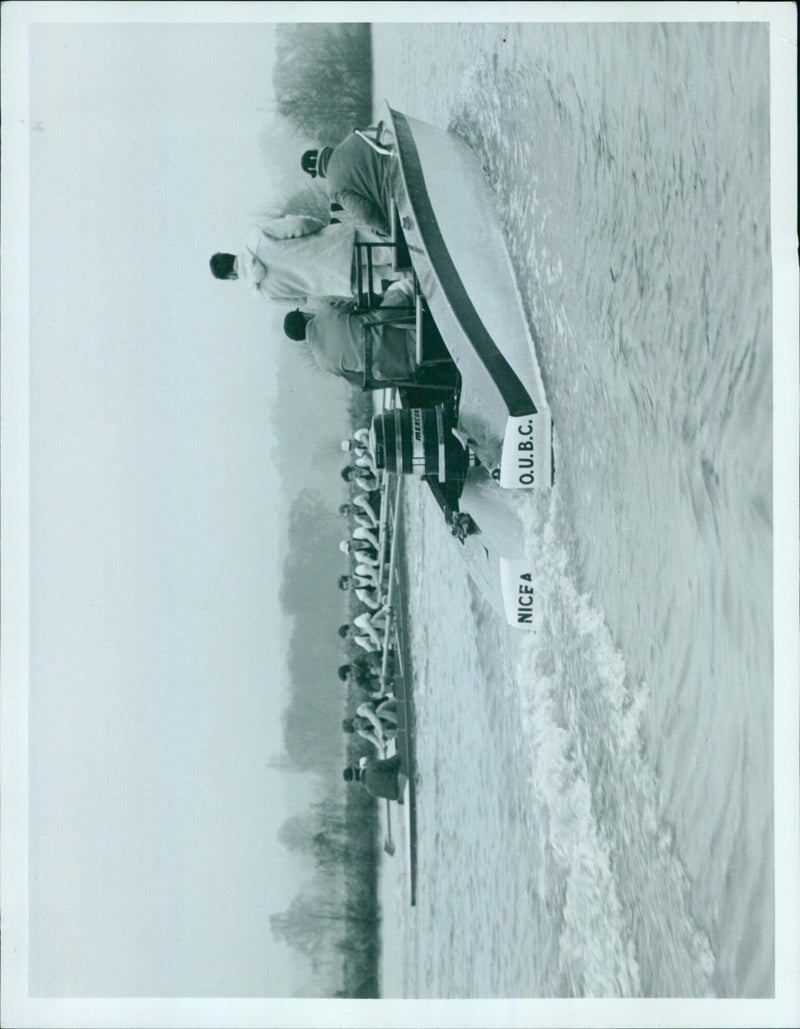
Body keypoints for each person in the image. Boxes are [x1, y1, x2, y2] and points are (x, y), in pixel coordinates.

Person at [282, 278, 417, 387]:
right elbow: (364, 303)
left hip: (406, 364)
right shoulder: (326, 311)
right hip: (405, 326)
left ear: (300, 338)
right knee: (403, 285)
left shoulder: (323, 363)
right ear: (304, 315)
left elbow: (361, 380)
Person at [210, 214, 356, 303]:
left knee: (378, 281)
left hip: (343, 282)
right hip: (339, 243)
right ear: (230, 255)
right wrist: (321, 226)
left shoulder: (261, 293)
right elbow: (300, 224)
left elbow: (300, 300)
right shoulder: (257, 236)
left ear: (230, 276)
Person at [301, 127, 395, 237]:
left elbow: (364, 212)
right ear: (318, 151)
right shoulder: (353, 138)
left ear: (316, 172)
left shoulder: (334, 188)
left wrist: (386, 230)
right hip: (402, 166)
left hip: (395, 200)